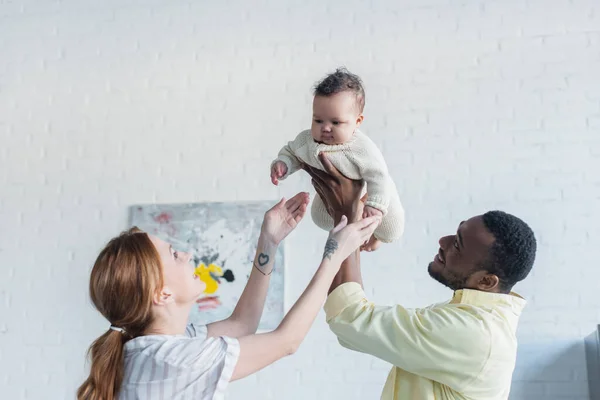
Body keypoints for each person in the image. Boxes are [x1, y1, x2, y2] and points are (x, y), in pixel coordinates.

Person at [77, 192, 381, 400]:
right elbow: (287, 341)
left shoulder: (157, 349)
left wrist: (269, 241)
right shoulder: (172, 360)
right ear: (162, 293)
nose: (185, 254)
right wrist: (335, 254)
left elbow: (242, 324)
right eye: (173, 255)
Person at [303, 153, 537, 400]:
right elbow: (353, 328)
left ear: (486, 281)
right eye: (455, 233)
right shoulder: (475, 320)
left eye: (458, 245)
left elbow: (351, 319)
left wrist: (347, 213)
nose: (442, 241)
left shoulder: (473, 334)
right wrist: (353, 226)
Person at [270, 67, 405, 252]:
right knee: (319, 218)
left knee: (391, 230)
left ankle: (376, 235)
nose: (325, 128)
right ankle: (359, 225)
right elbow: (291, 151)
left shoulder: (362, 148)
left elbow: (378, 175)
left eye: (335, 122)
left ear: (357, 122)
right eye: (318, 121)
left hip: (372, 189)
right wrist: (283, 164)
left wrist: (375, 204)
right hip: (333, 192)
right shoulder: (307, 141)